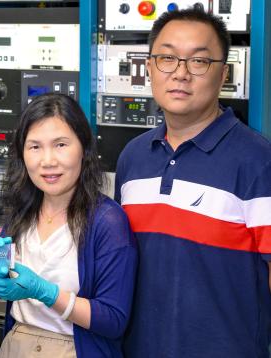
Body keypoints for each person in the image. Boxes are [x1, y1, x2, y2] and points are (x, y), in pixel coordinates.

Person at [114, 8, 271, 358]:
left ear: (223, 74)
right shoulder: (133, 158)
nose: (180, 74)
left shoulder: (259, 162)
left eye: (198, 62)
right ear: (150, 67)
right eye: (167, 58)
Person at [0, 93, 137, 358]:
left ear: (84, 149)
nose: (48, 160)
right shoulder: (22, 212)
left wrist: (46, 292)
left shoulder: (107, 221)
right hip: (16, 344)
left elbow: (113, 320)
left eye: (61, 144)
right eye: (35, 147)